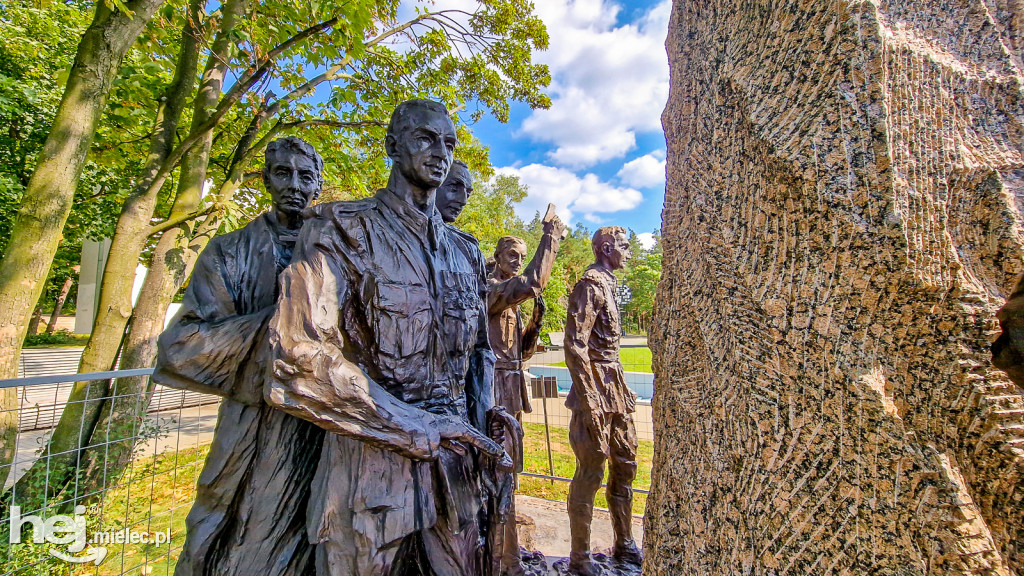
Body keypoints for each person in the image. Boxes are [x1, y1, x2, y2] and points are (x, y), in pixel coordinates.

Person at [265, 99, 511, 576]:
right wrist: (414, 425)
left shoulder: (466, 251)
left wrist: (488, 416)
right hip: (369, 478)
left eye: (449, 143)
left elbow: (481, 352)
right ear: (392, 147)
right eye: (425, 139)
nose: (440, 152)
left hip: (456, 474)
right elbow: (297, 353)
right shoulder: (341, 227)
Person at [153, 137, 325, 576]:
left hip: (325, 421)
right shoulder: (227, 251)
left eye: (305, 176)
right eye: (283, 173)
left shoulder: (337, 251)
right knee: (230, 528)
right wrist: (282, 322)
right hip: (252, 419)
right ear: (266, 178)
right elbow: (181, 345)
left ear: (318, 185)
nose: (294, 185)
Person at [486, 210, 565, 575]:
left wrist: (533, 323)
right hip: (493, 389)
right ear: (498, 257)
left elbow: (523, 351)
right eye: (512, 256)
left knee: (512, 467)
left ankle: (508, 547)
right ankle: (502, 555)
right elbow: (532, 282)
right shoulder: (491, 289)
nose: (518, 262)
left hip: (512, 385)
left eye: (522, 256)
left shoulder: (511, 301)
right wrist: (549, 238)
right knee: (497, 466)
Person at [564, 226, 642, 576]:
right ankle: (580, 558)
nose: (629, 253)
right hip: (593, 391)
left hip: (616, 387)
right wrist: (590, 398)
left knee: (625, 465)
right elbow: (575, 345)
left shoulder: (610, 283)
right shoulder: (590, 285)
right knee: (591, 470)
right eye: (625, 247)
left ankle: (624, 544)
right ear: (606, 247)